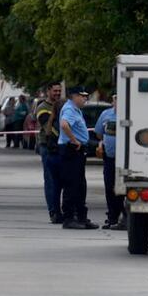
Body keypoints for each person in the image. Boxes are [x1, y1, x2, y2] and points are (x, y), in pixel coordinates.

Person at [59, 86, 97, 229]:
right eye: (82, 96)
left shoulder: (76, 110)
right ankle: (69, 218)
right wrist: (74, 140)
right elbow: (64, 124)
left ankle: (81, 217)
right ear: (73, 96)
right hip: (71, 150)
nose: (85, 98)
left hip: (77, 151)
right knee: (71, 185)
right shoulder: (69, 109)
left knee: (80, 185)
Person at [95, 94, 126, 230]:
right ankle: (112, 217)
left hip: (126, 160)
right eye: (115, 99)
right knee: (109, 188)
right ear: (113, 101)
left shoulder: (131, 113)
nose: (117, 102)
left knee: (123, 189)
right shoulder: (106, 114)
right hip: (110, 157)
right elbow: (99, 133)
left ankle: (124, 216)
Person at [35, 82, 64, 223]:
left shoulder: (61, 106)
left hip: (61, 147)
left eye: (59, 91)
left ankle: (60, 210)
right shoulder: (42, 108)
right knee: (51, 180)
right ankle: (53, 211)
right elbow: (49, 127)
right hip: (48, 147)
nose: (57, 93)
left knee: (61, 181)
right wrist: (65, 136)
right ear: (48, 91)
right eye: (55, 91)